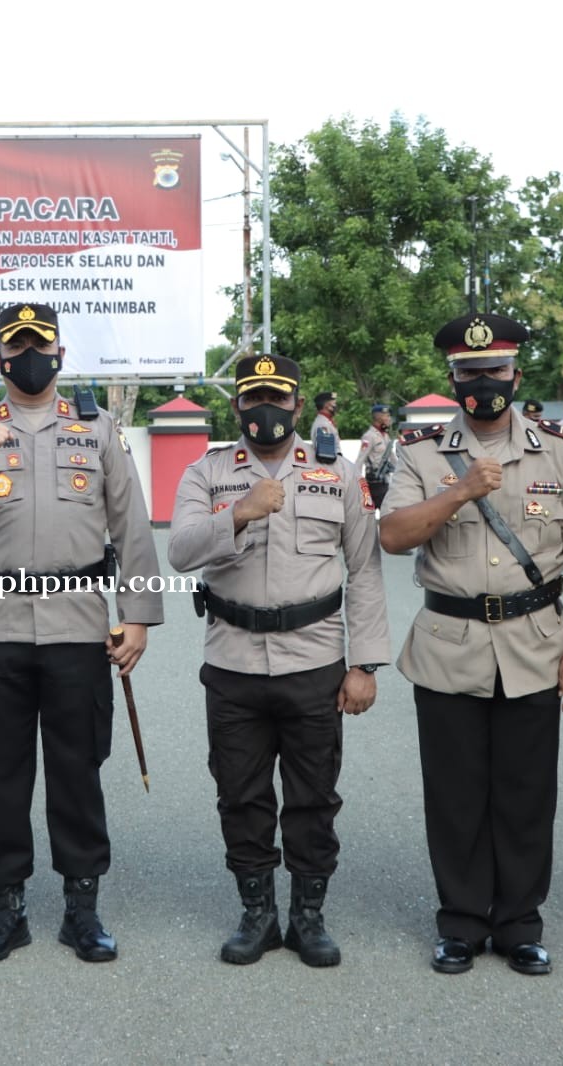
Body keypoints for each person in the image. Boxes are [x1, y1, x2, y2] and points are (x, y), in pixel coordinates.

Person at [0, 302, 164, 963]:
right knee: (2, 772)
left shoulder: (97, 427)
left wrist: (137, 616)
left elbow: (131, 527)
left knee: (77, 770)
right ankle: (7, 909)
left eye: (41, 345)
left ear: (58, 354)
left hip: (79, 621)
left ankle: (82, 908)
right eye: (16, 347)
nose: (30, 356)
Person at [378, 311, 563, 977]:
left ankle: (520, 924)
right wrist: (463, 488)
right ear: (452, 378)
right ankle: (462, 922)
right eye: (470, 374)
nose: (484, 384)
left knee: (527, 793)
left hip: (535, 642)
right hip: (450, 644)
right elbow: (393, 535)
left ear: (516, 375)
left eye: (495, 372)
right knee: (455, 795)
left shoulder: (560, 452)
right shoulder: (420, 452)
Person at [167, 353, 390, 967]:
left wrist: (365, 664)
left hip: (315, 659)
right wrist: (235, 513)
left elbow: (365, 569)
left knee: (313, 795)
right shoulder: (207, 472)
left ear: (296, 403)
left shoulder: (337, 473)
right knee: (240, 794)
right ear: (235, 405)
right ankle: (257, 912)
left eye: (277, 397)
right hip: (233, 660)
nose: (265, 409)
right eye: (252, 397)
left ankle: (308, 915)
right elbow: (180, 552)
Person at [357, 404, 395, 509]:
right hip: (374, 481)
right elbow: (360, 459)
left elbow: (392, 457)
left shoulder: (385, 435)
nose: (389, 419)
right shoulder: (369, 436)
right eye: (386, 416)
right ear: (378, 417)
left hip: (385, 480)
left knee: (388, 510)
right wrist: (358, 482)